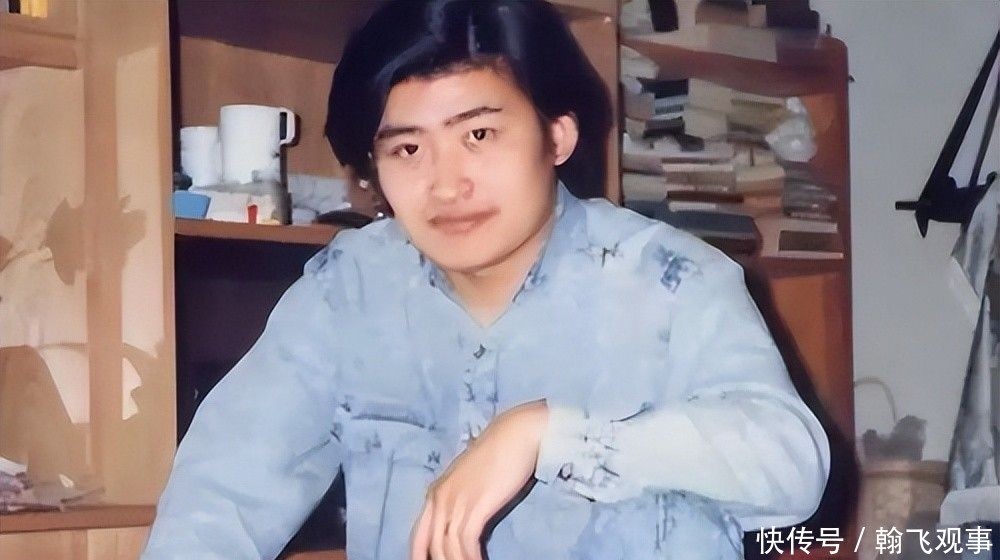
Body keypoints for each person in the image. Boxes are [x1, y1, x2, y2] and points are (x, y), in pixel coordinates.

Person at [142, 1, 830, 559]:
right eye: (408, 148)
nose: (446, 184)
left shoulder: (668, 281)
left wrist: (547, 436)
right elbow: (221, 494)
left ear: (557, 136)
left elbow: (790, 463)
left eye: (478, 135)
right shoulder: (348, 291)